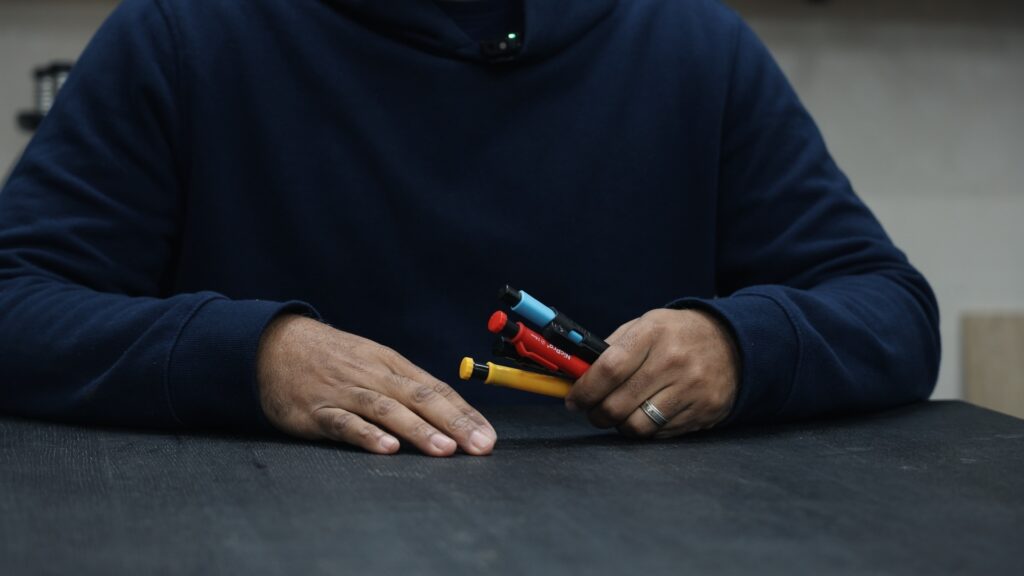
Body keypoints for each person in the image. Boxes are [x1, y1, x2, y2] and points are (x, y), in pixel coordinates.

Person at [0, 0, 941, 457]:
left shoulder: (696, 47)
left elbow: (891, 310)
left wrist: (739, 346)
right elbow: (16, 305)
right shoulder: (183, 33)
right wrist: (252, 359)